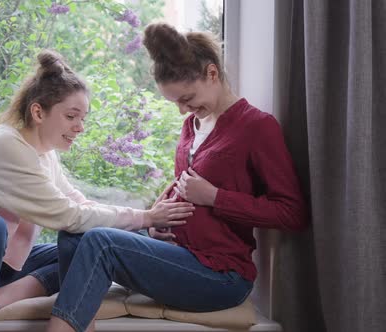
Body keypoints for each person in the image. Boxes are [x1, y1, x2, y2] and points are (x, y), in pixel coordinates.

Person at [0, 49, 194, 332]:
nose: (80, 127)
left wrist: (145, 228)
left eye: (83, 118)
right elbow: (69, 215)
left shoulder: (44, 152)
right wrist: (146, 217)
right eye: (71, 116)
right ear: (38, 112)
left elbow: (77, 202)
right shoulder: (7, 146)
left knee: (81, 254)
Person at [46, 23, 308, 332]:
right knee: (74, 234)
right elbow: (184, 193)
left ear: (212, 74)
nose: (184, 110)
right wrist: (157, 227)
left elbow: (292, 213)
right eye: (176, 103)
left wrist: (215, 197)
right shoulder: (191, 128)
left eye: (188, 98)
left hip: (219, 275)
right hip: (178, 257)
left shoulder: (257, 127)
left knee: (101, 241)